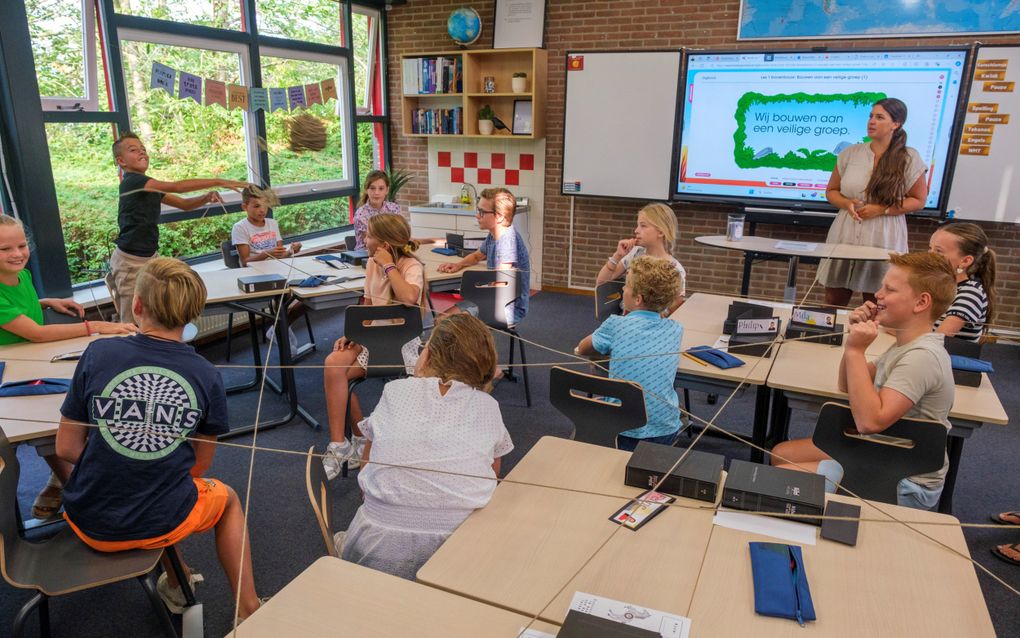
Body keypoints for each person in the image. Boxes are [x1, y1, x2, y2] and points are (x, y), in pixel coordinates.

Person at [55, 258, 262, 618]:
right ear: (193, 314)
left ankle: (177, 584)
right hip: (161, 522)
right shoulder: (206, 374)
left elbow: (65, 449)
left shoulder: (98, 352)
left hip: (86, 521)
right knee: (226, 500)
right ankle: (248, 608)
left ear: (137, 306)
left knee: (153, 484)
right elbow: (199, 466)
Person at [771, 252, 957, 510]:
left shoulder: (921, 357)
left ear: (921, 302)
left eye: (889, 289)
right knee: (780, 454)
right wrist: (851, 347)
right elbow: (847, 385)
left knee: (777, 482)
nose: (877, 294)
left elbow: (869, 421)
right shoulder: (905, 345)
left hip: (904, 477)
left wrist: (857, 351)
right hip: (881, 453)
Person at [338, 312, 511, 579]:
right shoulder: (489, 407)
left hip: (375, 551)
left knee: (356, 530)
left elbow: (365, 470)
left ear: (428, 355)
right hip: (458, 557)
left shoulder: (395, 391)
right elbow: (491, 479)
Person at [0, 214, 137, 519]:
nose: (17, 254)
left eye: (21, 245)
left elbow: (22, 309)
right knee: (49, 420)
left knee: (67, 412)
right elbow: (35, 333)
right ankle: (70, 481)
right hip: (10, 374)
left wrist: (47, 303)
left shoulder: (20, 275)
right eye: (5, 249)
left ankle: (65, 479)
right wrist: (96, 326)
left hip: (33, 362)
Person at [322, 214, 428, 479]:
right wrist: (353, 334)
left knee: (339, 378)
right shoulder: (371, 264)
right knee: (333, 365)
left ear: (385, 244)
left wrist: (390, 266)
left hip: (399, 343)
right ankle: (341, 444)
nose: (364, 239)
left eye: (368, 235)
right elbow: (368, 307)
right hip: (371, 337)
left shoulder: (410, 266)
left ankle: (357, 438)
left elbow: (409, 298)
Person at [107, 132, 247, 324]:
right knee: (131, 321)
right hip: (130, 261)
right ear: (121, 161)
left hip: (149, 257)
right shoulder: (133, 181)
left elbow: (184, 204)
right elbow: (177, 187)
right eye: (134, 150)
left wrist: (205, 197)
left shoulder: (148, 185)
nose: (142, 153)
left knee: (152, 315)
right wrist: (219, 181)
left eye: (144, 149)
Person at [817, 98, 929, 308]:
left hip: (884, 234)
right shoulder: (850, 153)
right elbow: (831, 191)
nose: (871, 121)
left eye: (879, 117)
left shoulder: (909, 157)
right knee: (833, 301)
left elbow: (919, 200)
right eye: (870, 116)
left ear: (896, 124)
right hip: (845, 232)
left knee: (877, 303)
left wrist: (883, 209)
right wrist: (846, 203)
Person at [575, 256, 684, 451]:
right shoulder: (676, 329)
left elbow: (583, 348)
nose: (622, 290)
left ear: (638, 298)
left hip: (622, 428)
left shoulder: (616, 324)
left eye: (625, 286)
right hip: (666, 429)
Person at [437, 187, 530, 326]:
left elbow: (501, 284)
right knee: (441, 320)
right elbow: (476, 256)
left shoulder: (508, 243)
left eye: (482, 212)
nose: (477, 215)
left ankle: (472, 346)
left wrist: (473, 286)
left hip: (506, 307)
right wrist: (459, 265)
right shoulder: (494, 235)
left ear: (499, 216)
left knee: (446, 323)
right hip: (488, 299)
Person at [596, 203, 686, 316]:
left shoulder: (674, 267)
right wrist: (617, 255)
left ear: (661, 232)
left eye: (643, 226)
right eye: (637, 225)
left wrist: (663, 315)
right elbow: (601, 282)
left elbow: (678, 300)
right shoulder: (635, 253)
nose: (636, 230)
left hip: (652, 323)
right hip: (626, 318)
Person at [929, 222, 996, 342]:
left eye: (939, 251)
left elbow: (937, 340)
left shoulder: (971, 292)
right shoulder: (939, 286)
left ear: (965, 261)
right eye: (930, 248)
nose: (929, 254)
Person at [231, 185, 301, 266]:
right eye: (257, 206)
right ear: (244, 207)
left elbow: (281, 256)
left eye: (265, 205)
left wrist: (290, 251)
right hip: (254, 272)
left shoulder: (273, 223)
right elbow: (245, 262)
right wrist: (266, 254)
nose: (262, 210)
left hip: (275, 267)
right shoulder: (239, 227)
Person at [352, 170, 405, 251]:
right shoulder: (360, 214)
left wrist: (429, 240)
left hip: (392, 250)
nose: (376, 192)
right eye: (372, 188)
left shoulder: (394, 208)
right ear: (366, 190)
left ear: (387, 190)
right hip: (366, 256)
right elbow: (374, 243)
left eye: (381, 188)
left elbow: (402, 234)